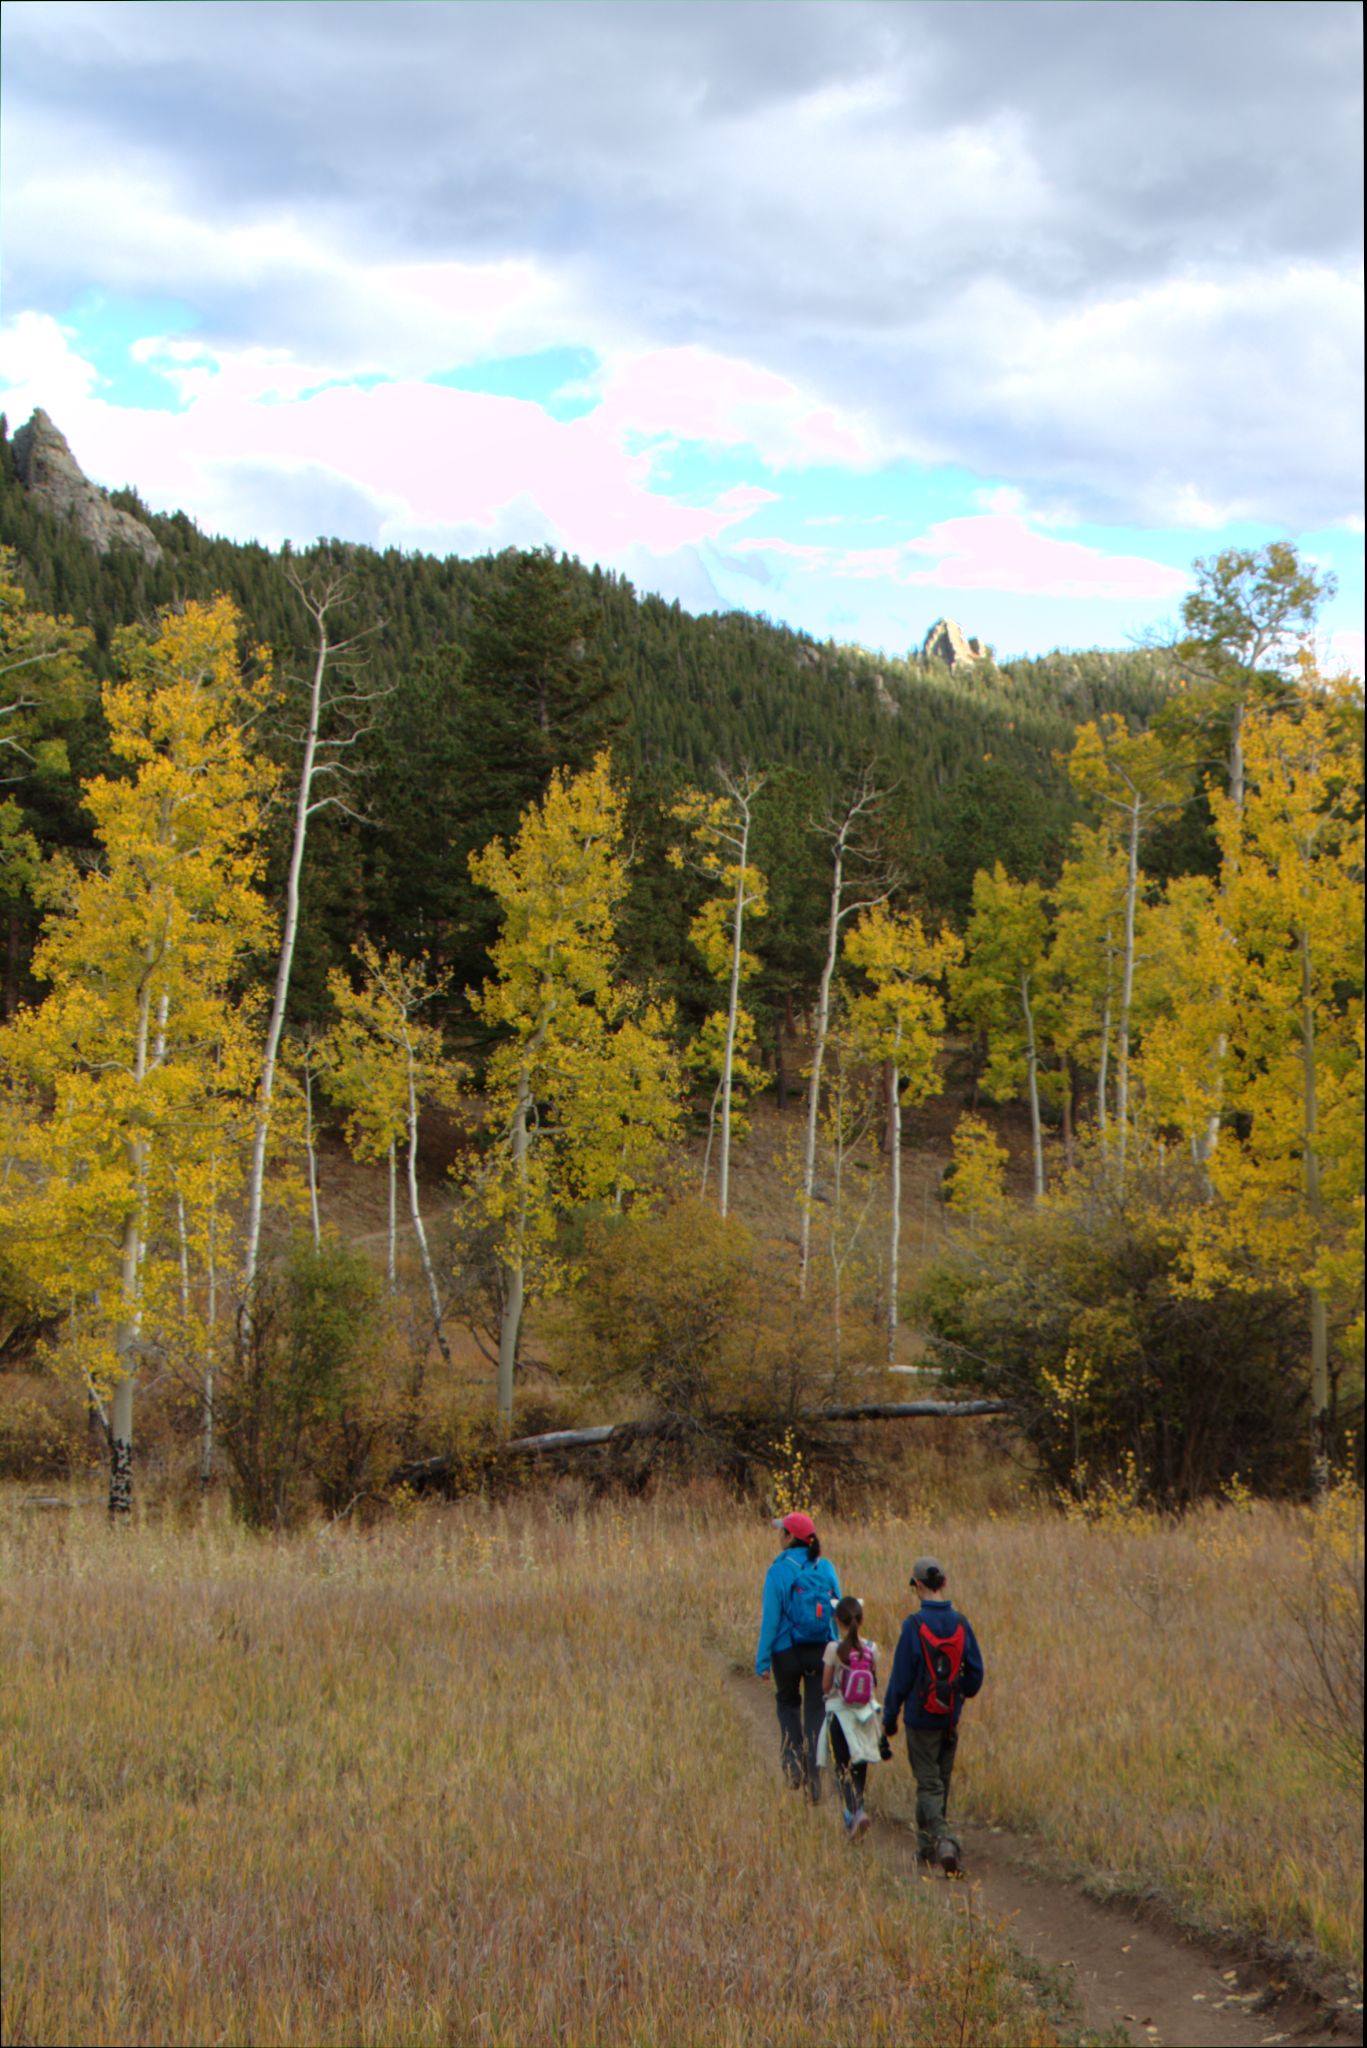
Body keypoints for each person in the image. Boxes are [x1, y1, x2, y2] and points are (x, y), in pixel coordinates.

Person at [881, 1555, 984, 1877]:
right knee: (940, 1780)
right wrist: (958, 1695)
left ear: (918, 1585)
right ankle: (925, 1847)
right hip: (949, 1716)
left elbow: (900, 1677)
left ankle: (944, 1841)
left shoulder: (913, 1626)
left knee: (927, 1784)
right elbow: (976, 1674)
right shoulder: (961, 1623)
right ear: (945, 1583)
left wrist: (889, 1717)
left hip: (919, 1716)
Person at [755, 1510, 842, 1800]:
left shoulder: (778, 1570)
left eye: (782, 1531)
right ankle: (815, 1779)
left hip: (786, 1652)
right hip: (820, 1651)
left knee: (788, 1703)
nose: (779, 1535)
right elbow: (837, 1611)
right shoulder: (826, 1567)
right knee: (816, 1712)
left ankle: (793, 1763)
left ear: (790, 1537)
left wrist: (762, 1661)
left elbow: (770, 1620)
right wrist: (837, 1650)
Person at [818, 1594, 890, 1841]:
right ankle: (858, 1809)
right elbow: (873, 1681)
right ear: (861, 1618)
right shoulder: (871, 1648)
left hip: (840, 1714)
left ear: (837, 1620)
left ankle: (854, 1813)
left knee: (841, 1767)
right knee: (860, 1767)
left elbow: (826, 1686)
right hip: (866, 1713)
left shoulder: (832, 1649)